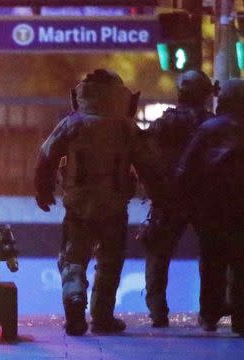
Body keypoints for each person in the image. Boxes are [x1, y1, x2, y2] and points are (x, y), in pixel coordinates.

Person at [34, 69, 163, 336]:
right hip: (114, 206)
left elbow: (46, 157)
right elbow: (148, 166)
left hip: (78, 205)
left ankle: (74, 303)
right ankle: (102, 317)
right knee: (111, 260)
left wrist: (43, 191)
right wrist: (158, 197)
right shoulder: (127, 128)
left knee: (73, 258)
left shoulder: (72, 123)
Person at [176, 78, 244, 337]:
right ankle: (242, 320)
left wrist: (190, 204)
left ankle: (210, 315)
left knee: (213, 263)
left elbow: (185, 171)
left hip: (212, 211)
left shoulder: (207, 129)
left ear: (221, 100)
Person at [140, 70, 217, 327]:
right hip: (204, 198)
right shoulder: (212, 123)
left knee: (158, 255)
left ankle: (158, 312)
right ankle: (209, 314)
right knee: (211, 255)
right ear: (205, 94)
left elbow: (144, 154)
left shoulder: (165, 122)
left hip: (168, 198)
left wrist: (153, 188)